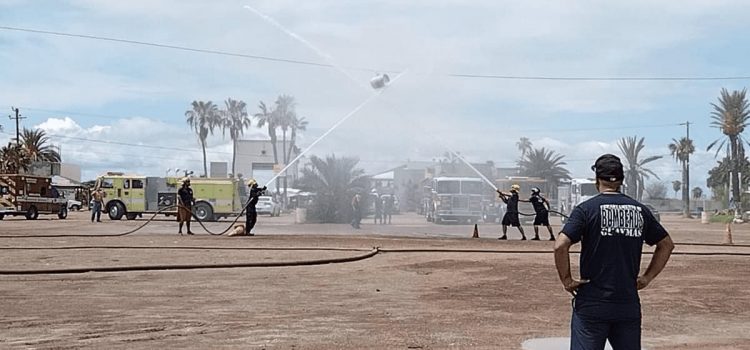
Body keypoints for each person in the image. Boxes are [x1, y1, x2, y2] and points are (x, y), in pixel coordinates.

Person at [554, 154, 674, 350]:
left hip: (592, 301)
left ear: (597, 180)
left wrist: (567, 280)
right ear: (621, 180)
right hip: (627, 301)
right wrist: (646, 278)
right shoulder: (640, 210)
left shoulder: (585, 210)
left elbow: (560, 245)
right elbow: (666, 244)